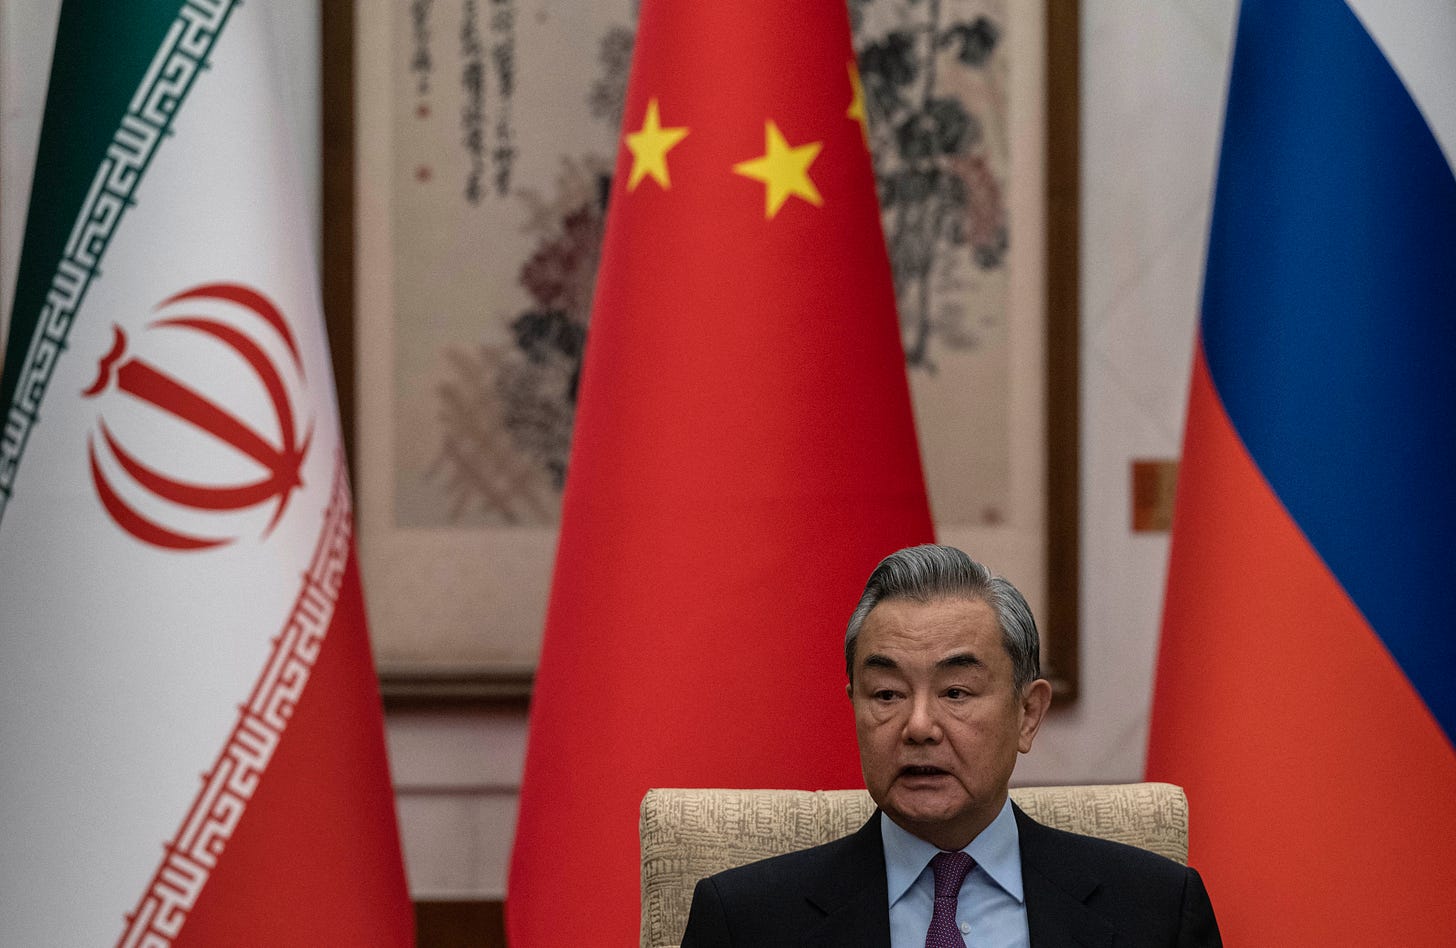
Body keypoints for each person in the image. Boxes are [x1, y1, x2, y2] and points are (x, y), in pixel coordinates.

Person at [680, 543, 1221, 947]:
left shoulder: (1156, 911)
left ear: (1027, 714)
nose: (918, 726)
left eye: (956, 692)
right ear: (854, 707)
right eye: (887, 694)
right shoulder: (745, 922)